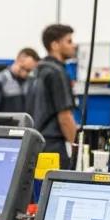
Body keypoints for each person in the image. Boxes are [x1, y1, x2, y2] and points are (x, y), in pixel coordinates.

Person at [30, 23, 78, 167]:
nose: (74, 46)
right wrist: (78, 149)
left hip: (36, 144)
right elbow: (65, 117)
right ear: (55, 45)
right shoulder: (57, 73)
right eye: (69, 41)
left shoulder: (38, 70)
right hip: (54, 148)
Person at [0, 47, 39, 114]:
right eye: (24, 69)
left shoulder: (32, 82)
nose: (26, 74)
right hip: (5, 121)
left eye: (30, 71)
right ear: (18, 60)